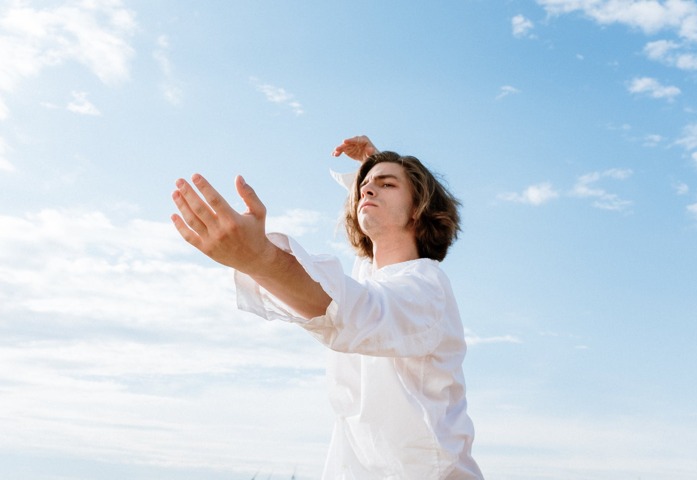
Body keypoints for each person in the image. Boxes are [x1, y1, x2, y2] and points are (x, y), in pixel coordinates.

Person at [170, 135, 484, 479]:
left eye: (387, 183)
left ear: (418, 208)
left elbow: (352, 312)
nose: (366, 190)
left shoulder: (426, 287)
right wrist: (373, 163)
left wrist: (258, 257)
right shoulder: (370, 275)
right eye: (364, 186)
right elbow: (360, 283)